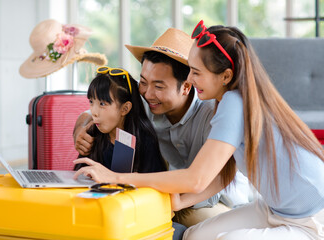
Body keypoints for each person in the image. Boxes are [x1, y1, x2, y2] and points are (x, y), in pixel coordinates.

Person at [74, 20, 324, 240]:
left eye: (196, 72)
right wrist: (180, 201)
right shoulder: (225, 100)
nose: (190, 81)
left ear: (225, 76)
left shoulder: (234, 104)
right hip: (273, 208)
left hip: (310, 219)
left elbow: (196, 178)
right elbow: (223, 172)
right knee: (194, 236)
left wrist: (115, 177)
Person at [73, 28, 251, 228]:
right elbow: (97, 111)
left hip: (212, 203)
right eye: (143, 82)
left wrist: (126, 181)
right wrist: (80, 129)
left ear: (186, 85)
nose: (148, 94)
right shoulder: (147, 104)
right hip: (164, 196)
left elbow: (201, 185)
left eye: (159, 86)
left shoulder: (215, 114)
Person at [73, 66, 167, 173]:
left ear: (125, 108)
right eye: (91, 102)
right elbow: (79, 175)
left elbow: (154, 182)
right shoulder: (92, 134)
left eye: (102, 104)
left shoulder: (145, 140)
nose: (94, 112)